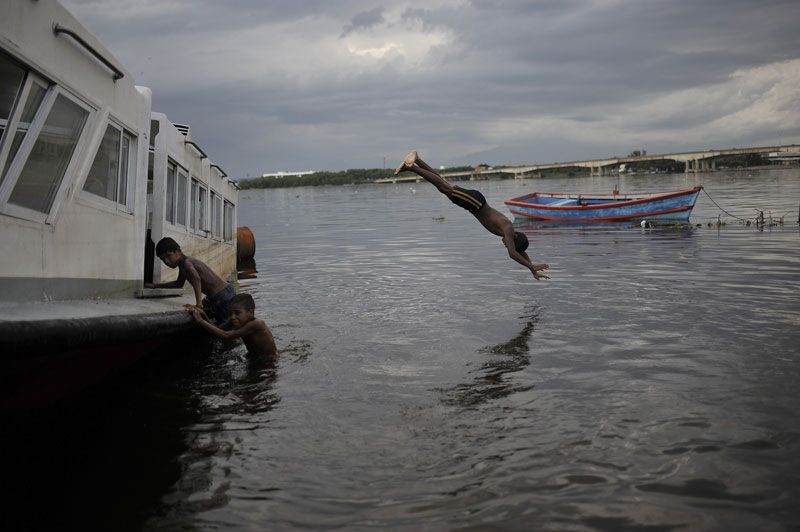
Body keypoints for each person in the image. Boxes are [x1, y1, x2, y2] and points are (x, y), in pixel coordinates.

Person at [395, 150, 550, 280]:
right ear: (514, 240)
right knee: (444, 187)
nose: (505, 244)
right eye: (508, 244)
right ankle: (412, 167)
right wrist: (531, 265)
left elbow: (520, 251)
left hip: (473, 205)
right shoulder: (508, 229)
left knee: (443, 185)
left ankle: (418, 160)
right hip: (476, 203)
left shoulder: (511, 235)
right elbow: (513, 253)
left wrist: (532, 270)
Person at [150, 237, 236, 320]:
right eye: (163, 259)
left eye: (168, 256)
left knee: (227, 326)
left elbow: (196, 279)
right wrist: (155, 286)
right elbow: (178, 284)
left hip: (222, 295)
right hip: (217, 295)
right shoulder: (182, 265)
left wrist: (198, 305)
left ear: (178, 251)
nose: (167, 261)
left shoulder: (187, 263)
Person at [187, 293, 277, 358]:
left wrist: (200, 320)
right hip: (254, 357)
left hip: (268, 360)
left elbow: (227, 335)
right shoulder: (235, 319)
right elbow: (218, 330)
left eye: (237, 313)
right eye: (230, 313)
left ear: (251, 312)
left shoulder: (257, 324)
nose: (233, 317)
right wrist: (203, 314)